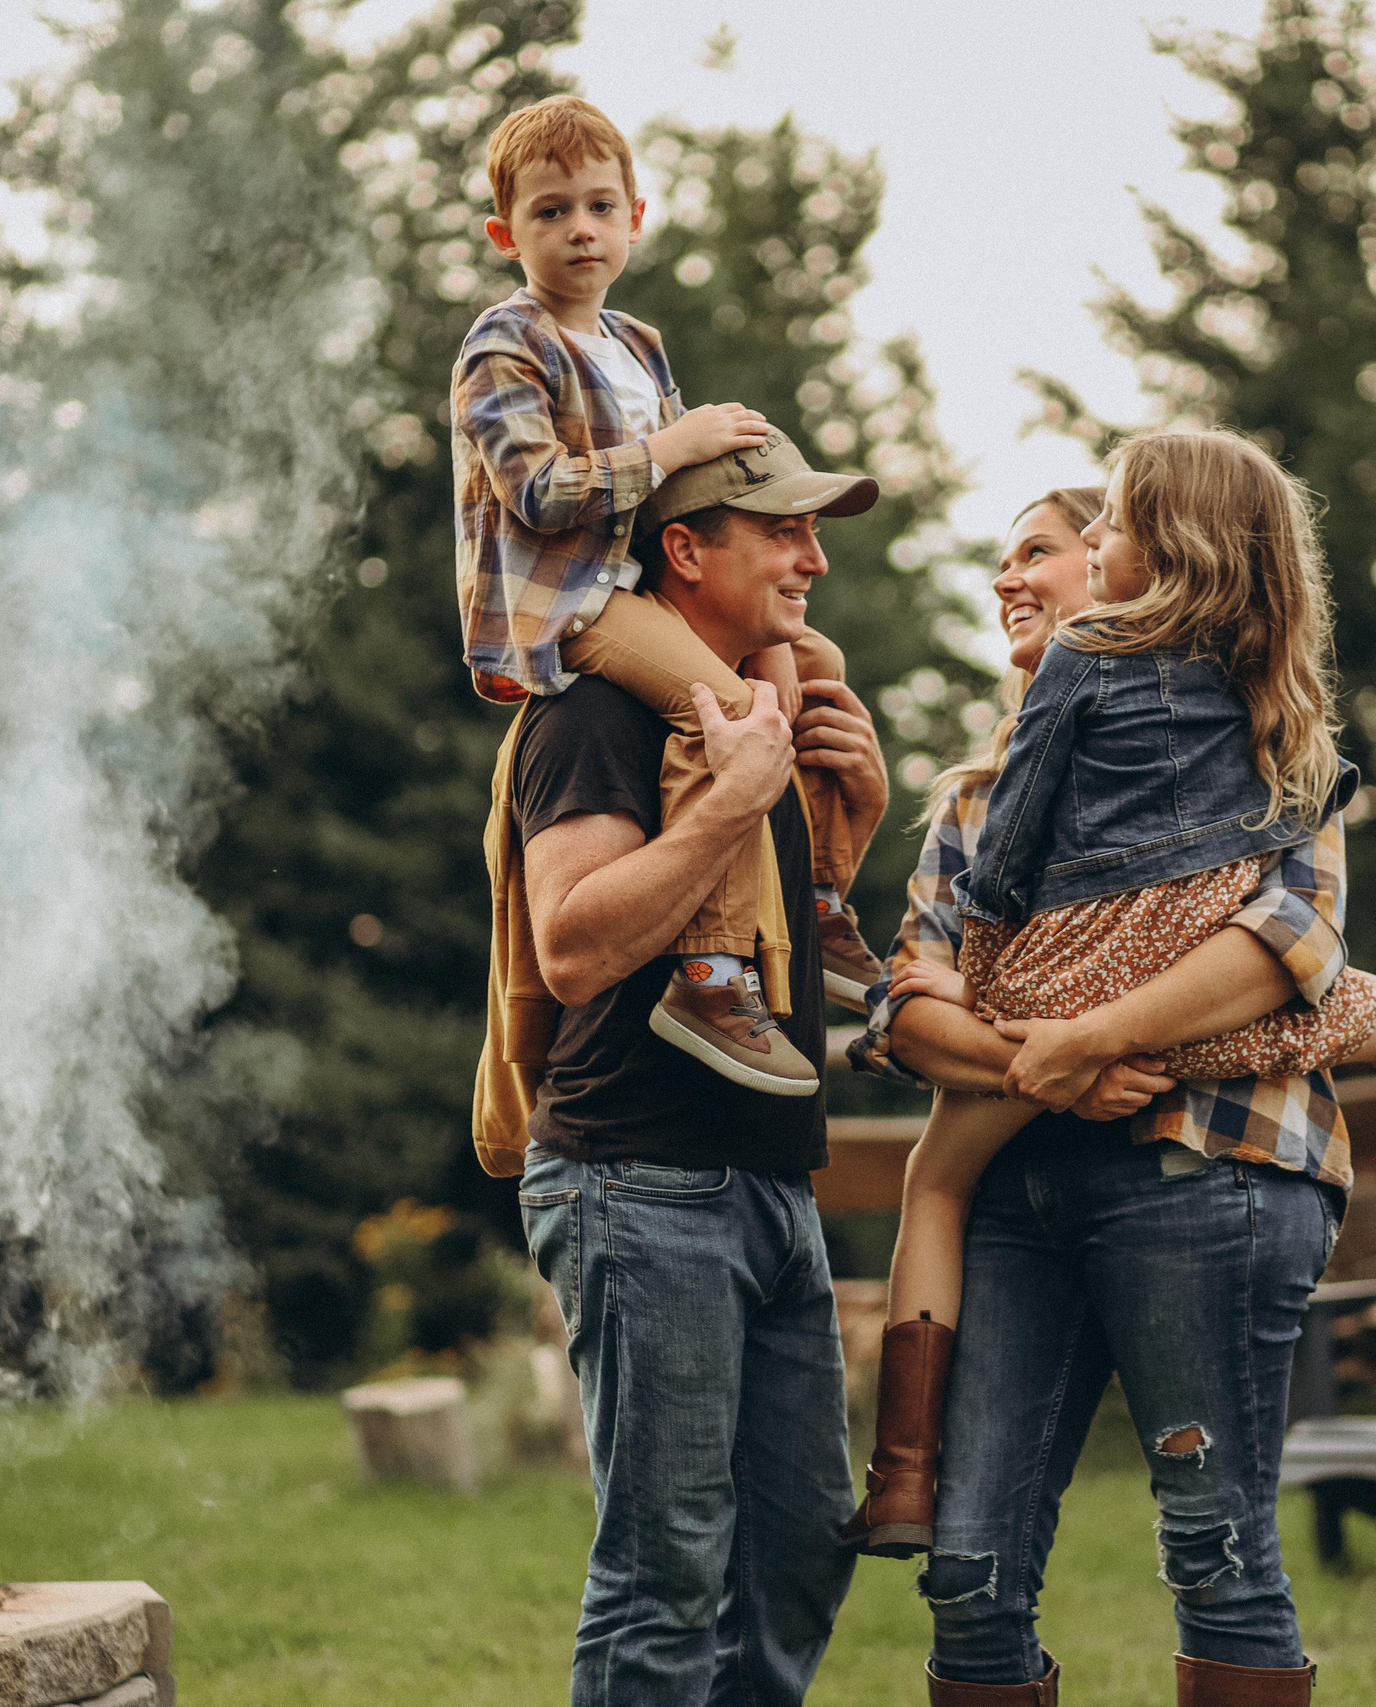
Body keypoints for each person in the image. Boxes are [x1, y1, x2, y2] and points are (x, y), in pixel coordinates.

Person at [849, 446, 1376, 1705]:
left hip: (1209, 1170)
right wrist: (1043, 1064)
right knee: (965, 1569)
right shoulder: (968, 802)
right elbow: (909, 1009)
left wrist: (1086, 1031)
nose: (1012, 576)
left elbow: (1295, 943)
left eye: (1044, 548)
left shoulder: (1269, 736)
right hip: (1015, 1200)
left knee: (1214, 1550)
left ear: (1138, 570)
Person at [485, 429, 891, 1706]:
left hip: (769, 1182)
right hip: (637, 1181)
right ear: (684, 548)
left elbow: (769, 952)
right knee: (665, 1573)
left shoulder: (735, 710)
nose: (812, 561)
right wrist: (730, 802)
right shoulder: (596, 715)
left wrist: (846, 831)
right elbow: (578, 942)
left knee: (801, 1550)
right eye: (783, 532)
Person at [453, 95, 887, 1099]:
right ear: (503, 233)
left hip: (638, 581)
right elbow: (536, 490)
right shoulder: (503, 347)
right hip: (566, 605)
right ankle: (710, 970)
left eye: (600, 207)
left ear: (635, 218)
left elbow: (689, 488)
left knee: (809, 674)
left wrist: (740, 490)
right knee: (725, 711)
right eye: (550, 211)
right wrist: (667, 448)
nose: (579, 230)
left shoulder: (637, 343)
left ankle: (816, 897)